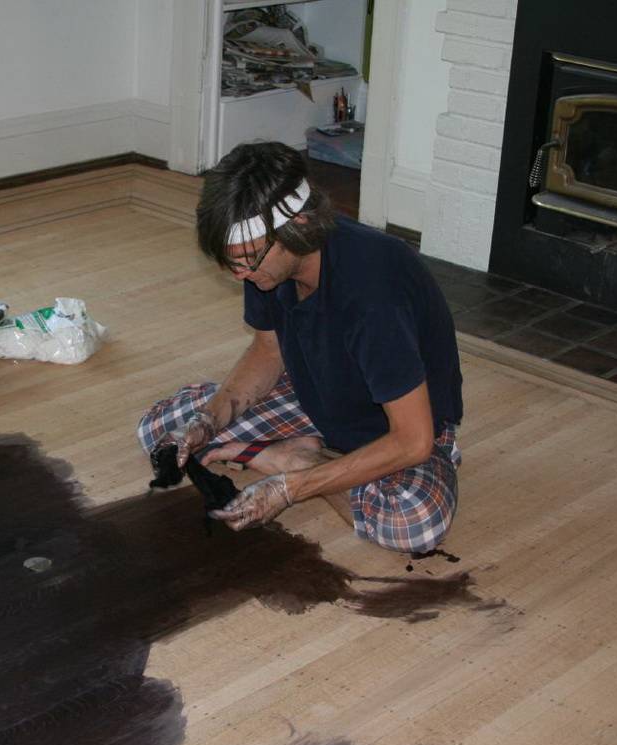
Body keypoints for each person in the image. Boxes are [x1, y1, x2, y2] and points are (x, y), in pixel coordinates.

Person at [137, 142, 463, 554]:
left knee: (411, 523)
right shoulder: (265, 267)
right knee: (161, 430)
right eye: (232, 263)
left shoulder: (372, 293)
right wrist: (206, 422)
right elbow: (268, 351)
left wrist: (291, 487)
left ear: (298, 225)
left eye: (246, 260)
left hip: (397, 429)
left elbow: (413, 440)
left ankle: (301, 460)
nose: (239, 275)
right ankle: (306, 455)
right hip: (316, 396)